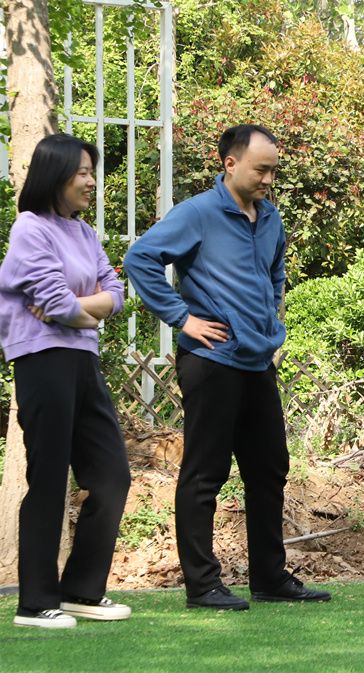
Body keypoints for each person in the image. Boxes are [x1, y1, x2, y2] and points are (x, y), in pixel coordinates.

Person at [124, 124, 330, 610]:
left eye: (273, 171)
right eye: (261, 169)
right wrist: (182, 318)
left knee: (269, 468)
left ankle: (270, 578)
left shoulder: (270, 218)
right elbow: (141, 259)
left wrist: (273, 325)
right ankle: (202, 585)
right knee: (205, 471)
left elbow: (275, 271)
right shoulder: (197, 213)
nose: (268, 179)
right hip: (211, 360)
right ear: (230, 164)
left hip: (257, 362)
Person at [0, 133, 132, 628]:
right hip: (41, 359)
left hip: (81, 359)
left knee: (112, 475)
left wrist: (81, 312)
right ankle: (35, 602)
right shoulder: (30, 229)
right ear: (53, 174)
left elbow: (115, 294)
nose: (91, 181)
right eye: (81, 172)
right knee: (49, 480)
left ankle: (80, 590)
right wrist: (80, 308)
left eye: (91, 171)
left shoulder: (84, 233)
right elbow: (55, 306)